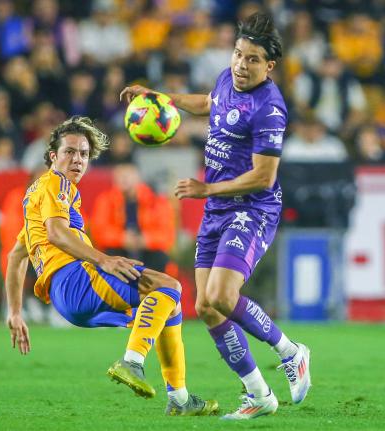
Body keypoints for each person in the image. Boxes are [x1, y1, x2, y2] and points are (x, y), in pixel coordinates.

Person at [120, 12, 311, 420]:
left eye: (252, 59)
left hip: (252, 209)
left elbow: (264, 176)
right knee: (206, 307)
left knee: (223, 296)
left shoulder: (270, 108)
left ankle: (291, 352)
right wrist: (161, 99)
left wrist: (206, 188)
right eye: (238, 55)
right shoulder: (228, 80)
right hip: (217, 209)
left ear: (269, 66)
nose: (241, 65)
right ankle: (259, 394)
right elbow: (208, 104)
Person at [4, 116, 218, 417]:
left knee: (169, 303)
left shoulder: (39, 196)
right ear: (53, 156)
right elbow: (57, 232)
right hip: (76, 279)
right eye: (69, 151)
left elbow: (17, 256)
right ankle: (131, 362)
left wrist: (15, 312)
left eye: (84, 154)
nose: (77, 159)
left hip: (65, 298)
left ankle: (180, 398)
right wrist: (104, 259)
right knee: (171, 286)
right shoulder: (56, 183)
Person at [91, 162, 175, 273]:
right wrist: (122, 238)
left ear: (138, 178)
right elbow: (99, 231)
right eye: (119, 176)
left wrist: (145, 239)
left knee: (160, 258)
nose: (123, 179)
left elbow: (167, 234)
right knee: (109, 256)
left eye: (127, 175)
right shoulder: (105, 200)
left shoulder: (156, 201)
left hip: (148, 249)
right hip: (118, 248)